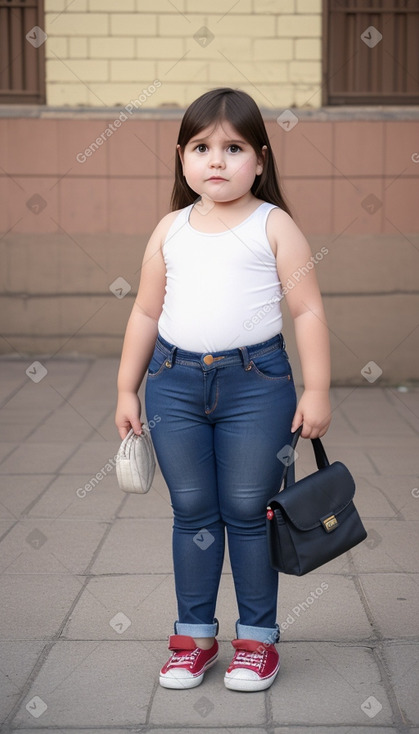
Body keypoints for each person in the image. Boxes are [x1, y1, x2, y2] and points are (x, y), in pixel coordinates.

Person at [115, 87, 331, 693]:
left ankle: (258, 641)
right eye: (202, 147)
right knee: (192, 513)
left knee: (248, 511)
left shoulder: (274, 225)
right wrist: (126, 388)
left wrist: (316, 390)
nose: (217, 160)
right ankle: (195, 639)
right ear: (182, 158)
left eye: (233, 148)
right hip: (173, 385)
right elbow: (144, 313)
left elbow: (308, 312)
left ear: (259, 159)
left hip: (256, 387)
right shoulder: (170, 229)